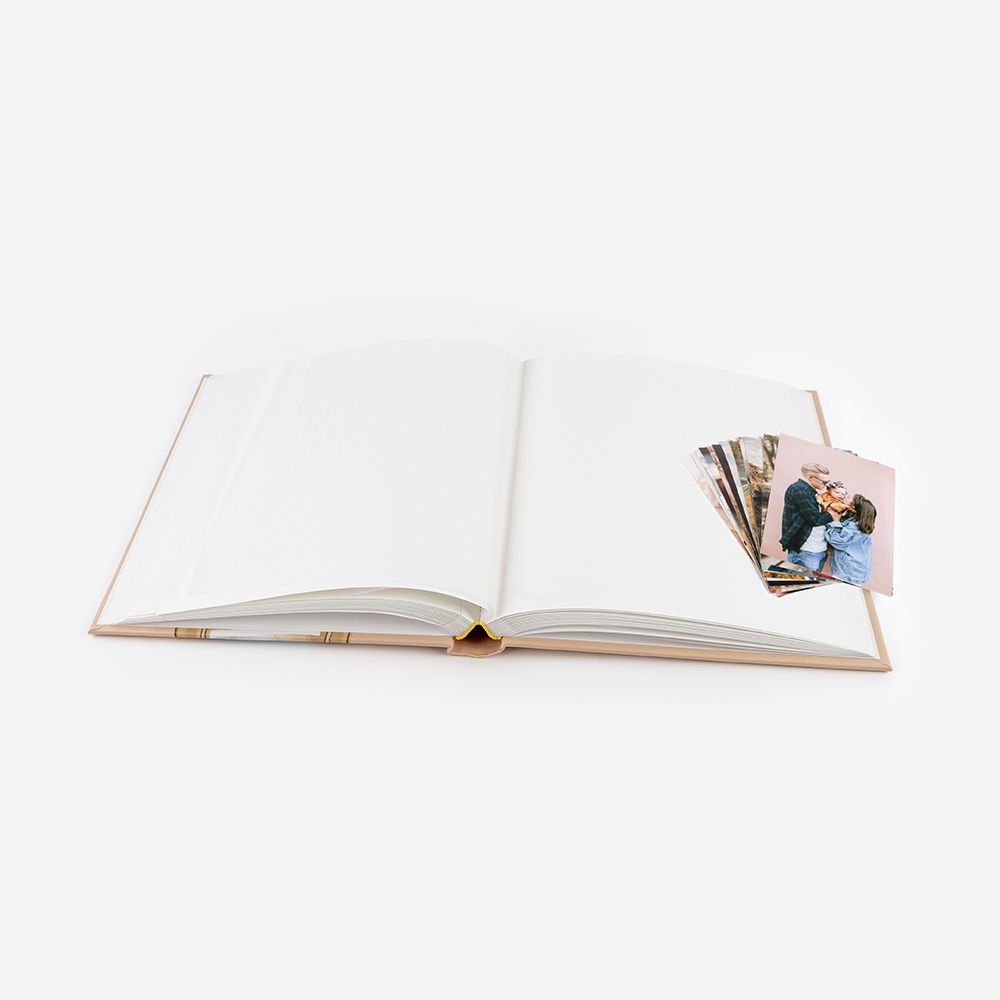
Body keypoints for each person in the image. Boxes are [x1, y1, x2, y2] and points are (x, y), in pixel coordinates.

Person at [779, 462, 834, 571]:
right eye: (824, 481)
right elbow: (814, 519)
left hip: (817, 550)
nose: (826, 484)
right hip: (805, 552)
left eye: (828, 481)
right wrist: (832, 514)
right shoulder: (799, 490)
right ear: (810, 477)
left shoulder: (811, 492)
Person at [824, 494, 877, 586]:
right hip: (856, 570)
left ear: (854, 508)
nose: (845, 497)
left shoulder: (855, 528)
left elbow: (836, 540)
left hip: (848, 573)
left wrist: (835, 521)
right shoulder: (855, 522)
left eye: (849, 499)